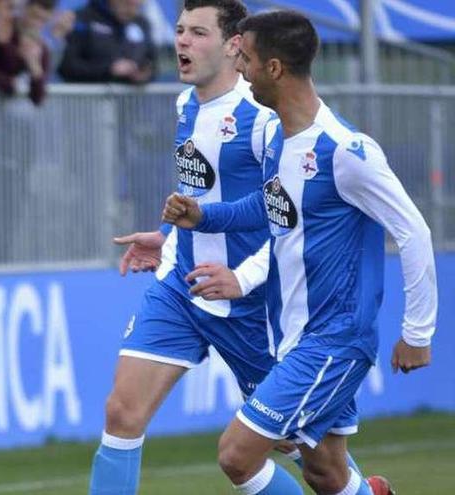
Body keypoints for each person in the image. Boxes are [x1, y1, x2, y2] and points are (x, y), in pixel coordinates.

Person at [92, 2, 391, 494]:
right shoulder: (185, 104)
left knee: (314, 461)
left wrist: (245, 277)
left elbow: (288, 220)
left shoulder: (266, 121)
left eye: (198, 33)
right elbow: (211, 199)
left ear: (234, 46)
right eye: (180, 30)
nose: (182, 42)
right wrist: (169, 236)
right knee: (121, 411)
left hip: (253, 308)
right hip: (183, 289)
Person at [163, 10, 435, 495]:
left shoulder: (345, 150)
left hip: (334, 340)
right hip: (293, 334)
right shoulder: (277, 141)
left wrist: (417, 332)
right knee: (326, 473)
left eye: (244, 58)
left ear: (273, 69)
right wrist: (205, 218)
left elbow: (413, 231)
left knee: (236, 455)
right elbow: (268, 208)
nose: (238, 70)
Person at [57, 0, 155, 83]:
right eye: (126, 3)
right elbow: (67, 67)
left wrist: (144, 74)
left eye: (137, 5)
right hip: (88, 101)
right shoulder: (82, 19)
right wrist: (109, 69)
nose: (131, 9)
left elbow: (152, 63)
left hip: (129, 102)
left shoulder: (142, 23)